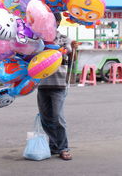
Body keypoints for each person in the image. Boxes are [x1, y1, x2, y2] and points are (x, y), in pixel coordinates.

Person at [37, 13, 78, 160]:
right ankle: (54, 146)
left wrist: (73, 49)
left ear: (59, 22)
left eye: (56, 21)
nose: (53, 24)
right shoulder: (39, 39)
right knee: (45, 118)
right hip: (42, 84)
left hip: (59, 84)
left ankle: (63, 148)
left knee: (58, 118)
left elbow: (71, 56)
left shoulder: (63, 39)